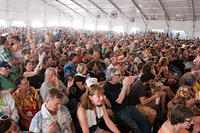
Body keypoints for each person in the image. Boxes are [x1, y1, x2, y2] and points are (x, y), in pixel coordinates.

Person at [103, 67, 151, 133]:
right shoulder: (106, 87)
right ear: (112, 76)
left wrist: (128, 85)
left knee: (143, 120)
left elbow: (127, 94)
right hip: (119, 110)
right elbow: (119, 101)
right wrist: (124, 85)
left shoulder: (117, 83)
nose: (121, 76)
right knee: (135, 126)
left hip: (128, 106)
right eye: (119, 75)